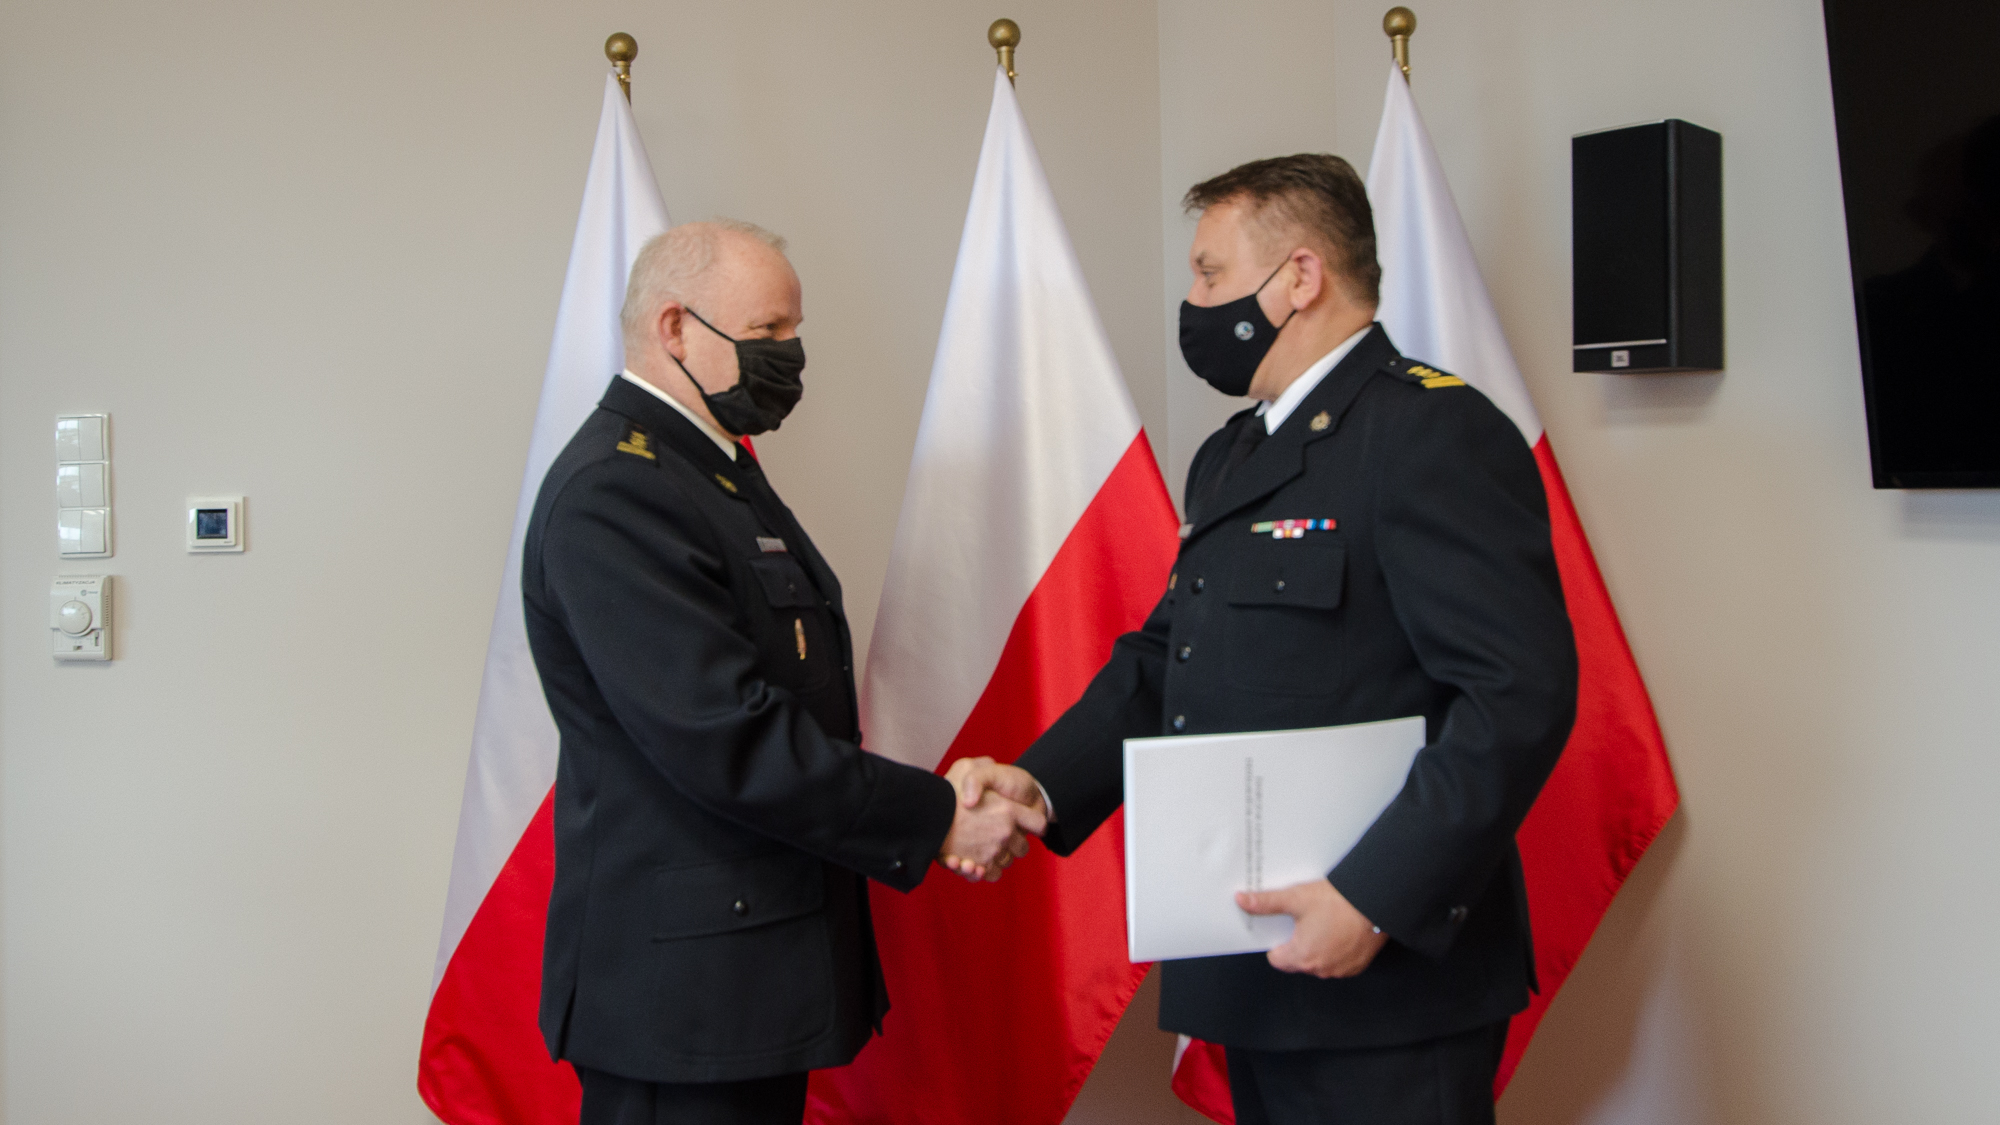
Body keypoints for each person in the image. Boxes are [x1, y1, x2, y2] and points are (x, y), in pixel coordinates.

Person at [955, 155, 1579, 1124]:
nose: (1194, 301)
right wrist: (1037, 783)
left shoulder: (1429, 430)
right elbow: (1169, 656)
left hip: (1386, 980)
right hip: (1260, 964)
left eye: (1209, 273)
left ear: (1299, 277)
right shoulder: (1234, 450)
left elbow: (1517, 692)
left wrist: (1372, 899)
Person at [521, 219, 1045, 1125]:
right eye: (767, 332)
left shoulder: (709, 470)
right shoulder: (620, 489)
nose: (791, 355)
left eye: (794, 330)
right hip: (682, 993)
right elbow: (728, 736)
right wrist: (938, 815)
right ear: (675, 328)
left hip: (742, 972)